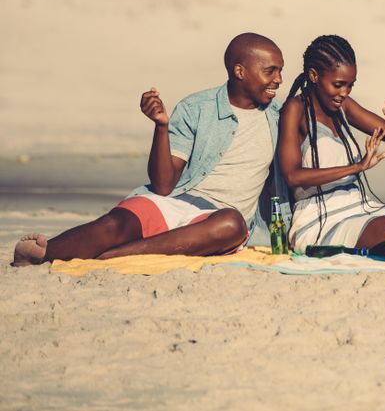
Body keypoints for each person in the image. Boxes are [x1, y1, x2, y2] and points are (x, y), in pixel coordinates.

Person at [12, 33, 286, 266]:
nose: (279, 80)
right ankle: (43, 253)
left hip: (213, 220)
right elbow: (164, 185)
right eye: (270, 71)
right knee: (114, 225)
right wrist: (161, 127)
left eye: (280, 71)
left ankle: (111, 257)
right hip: (172, 201)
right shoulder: (197, 108)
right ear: (240, 71)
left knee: (232, 225)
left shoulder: (279, 117)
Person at [278, 35, 385, 255]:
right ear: (314, 76)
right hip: (321, 219)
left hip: (361, 206)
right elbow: (292, 175)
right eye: (338, 85)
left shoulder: (344, 106)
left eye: (350, 85)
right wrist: (356, 167)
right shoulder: (296, 109)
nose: (345, 93)